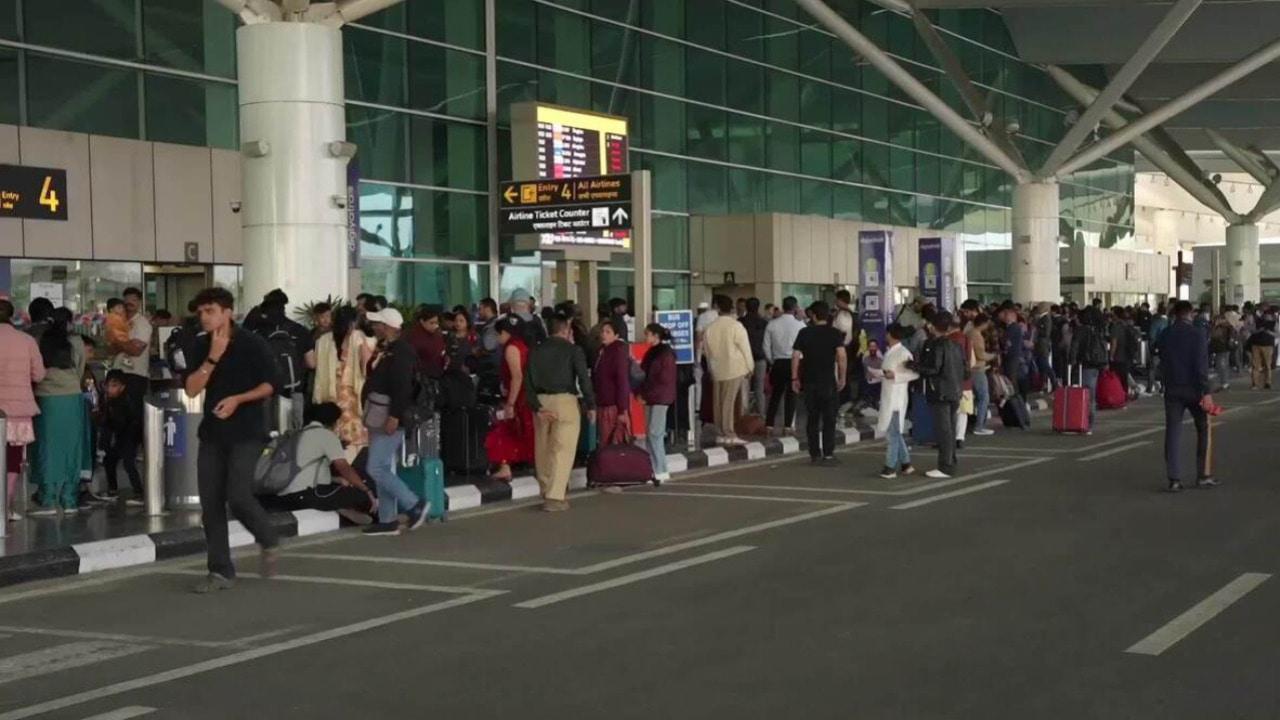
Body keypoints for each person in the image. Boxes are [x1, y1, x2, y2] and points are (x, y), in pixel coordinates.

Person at [183, 287, 280, 593]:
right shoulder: (200, 345)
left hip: (247, 432)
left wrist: (239, 399)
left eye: (210, 311)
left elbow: (271, 384)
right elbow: (191, 389)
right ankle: (220, 570)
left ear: (227, 312)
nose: (204, 317)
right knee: (211, 504)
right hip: (212, 433)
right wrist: (213, 357)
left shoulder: (252, 343)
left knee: (238, 496)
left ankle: (267, 537)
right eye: (201, 312)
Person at [359, 307, 430, 536]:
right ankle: (387, 519)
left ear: (388, 327)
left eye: (378, 323)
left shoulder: (401, 352)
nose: (374, 326)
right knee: (383, 466)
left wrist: (395, 416)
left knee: (376, 467)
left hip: (390, 416)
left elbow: (402, 387)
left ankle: (414, 504)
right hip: (379, 414)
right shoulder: (388, 348)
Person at [263, 402, 377, 525]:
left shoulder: (297, 434)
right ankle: (353, 511)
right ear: (333, 421)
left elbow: (305, 470)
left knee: (339, 486)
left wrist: (336, 479)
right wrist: (366, 490)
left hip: (284, 495)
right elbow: (343, 467)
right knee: (360, 493)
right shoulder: (326, 435)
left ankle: (342, 509)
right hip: (305, 495)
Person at [526, 315, 596, 512]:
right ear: (566, 330)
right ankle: (555, 496)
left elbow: (527, 382)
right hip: (565, 401)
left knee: (543, 448)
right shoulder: (573, 350)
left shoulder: (535, 351)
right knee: (562, 450)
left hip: (541, 400)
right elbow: (583, 379)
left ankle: (545, 489)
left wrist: (536, 407)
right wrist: (590, 404)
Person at [30, 307, 89, 515]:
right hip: (71, 396)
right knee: (72, 446)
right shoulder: (76, 341)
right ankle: (69, 498)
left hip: (45, 397)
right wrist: (70, 382)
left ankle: (47, 498)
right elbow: (80, 368)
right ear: (69, 322)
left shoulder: (39, 340)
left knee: (46, 446)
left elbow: (35, 370)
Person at [1158, 301, 1217, 492]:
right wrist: (1206, 392)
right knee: (1203, 428)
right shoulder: (1197, 334)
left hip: (1172, 388)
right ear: (1190, 314)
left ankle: (1174, 479)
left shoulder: (1165, 334)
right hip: (1194, 389)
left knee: (1173, 432)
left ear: (1175, 314)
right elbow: (1201, 365)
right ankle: (1203, 475)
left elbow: (1159, 357)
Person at [0, 300, 45, 521]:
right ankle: (4, 508)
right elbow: (39, 375)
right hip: (17, 411)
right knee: (13, 459)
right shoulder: (26, 340)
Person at [791, 301, 847, 465]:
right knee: (829, 419)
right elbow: (841, 356)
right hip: (828, 382)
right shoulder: (835, 333)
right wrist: (842, 377)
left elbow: (795, 356)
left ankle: (814, 454)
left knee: (812, 418)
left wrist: (794, 378)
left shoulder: (804, 332)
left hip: (809, 382)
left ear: (813, 316)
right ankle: (828, 454)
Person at [313, 305, 373, 454]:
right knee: (353, 429)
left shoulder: (324, 340)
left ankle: (335, 456)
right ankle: (352, 457)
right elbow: (366, 364)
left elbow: (316, 365)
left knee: (335, 426)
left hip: (331, 391)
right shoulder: (358, 337)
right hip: (352, 392)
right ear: (352, 322)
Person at [252, 289, 316, 429]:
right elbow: (311, 363)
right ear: (284, 307)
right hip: (294, 392)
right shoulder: (300, 330)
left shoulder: (257, 333)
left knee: (268, 432)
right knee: (294, 433)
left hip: (265, 393)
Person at [912, 311, 964, 479]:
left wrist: (914, 366)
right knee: (950, 429)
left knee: (943, 431)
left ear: (932, 326)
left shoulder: (936, 345)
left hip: (940, 391)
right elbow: (965, 369)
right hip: (955, 391)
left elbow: (934, 368)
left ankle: (945, 467)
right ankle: (951, 462)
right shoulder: (956, 345)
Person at [484, 316, 535, 482]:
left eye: (498, 333)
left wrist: (510, 403)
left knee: (503, 431)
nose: (497, 338)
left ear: (505, 333)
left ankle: (505, 466)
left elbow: (517, 377)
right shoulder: (522, 346)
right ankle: (507, 466)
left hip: (518, 399)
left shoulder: (511, 348)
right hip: (524, 397)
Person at [703, 295, 754, 446]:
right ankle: (729, 433)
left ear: (717, 308)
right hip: (735, 368)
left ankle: (720, 433)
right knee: (729, 402)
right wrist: (750, 367)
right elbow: (745, 348)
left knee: (718, 403)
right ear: (731, 308)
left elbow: (706, 352)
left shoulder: (710, 327)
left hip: (717, 369)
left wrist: (711, 368)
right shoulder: (736, 326)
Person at [876, 324, 918, 478]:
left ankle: (890, 466)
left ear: (890, 334)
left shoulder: (903, 353)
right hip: (888, 395)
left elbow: (914, 374)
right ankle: (906, 463)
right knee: (895, 432)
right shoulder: (890, 351)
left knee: (893, 433)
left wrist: (895, 376)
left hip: (896, 398)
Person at [639, 323, 677, 482]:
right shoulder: (653, 352)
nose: (645, 337)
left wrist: (646, 393)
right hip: (651, 397)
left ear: (656, 336)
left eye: (647, 334)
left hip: (660, 398)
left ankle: (661, 469)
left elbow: (663, 380)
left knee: (655, 433)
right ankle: (653, 469)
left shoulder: (664, 354)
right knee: (650, 434)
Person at [764, 296, 804, 435]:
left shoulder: (772, 324)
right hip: (795, 362)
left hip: (778, 362)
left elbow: (766, 346)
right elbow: (804, 347)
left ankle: (769, 425)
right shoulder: (800, 325)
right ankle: (787, 426)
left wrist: (772, 360)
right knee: (792, 395)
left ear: (783, 306)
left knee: (775, 395)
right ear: (795, 307)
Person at [99, 370, 141, 502]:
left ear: (122, 387)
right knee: (110, 461)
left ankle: (138, 491)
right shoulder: (109, 400)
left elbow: (121, 421)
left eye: (114, 385)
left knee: (128, 463)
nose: (110, 389)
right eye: (108, 385)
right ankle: (113, 489)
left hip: (128, 436)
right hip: (120, 437)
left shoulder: (123, 401)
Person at [1068, 306, 1109, 434]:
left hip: (1084, 365)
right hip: (1096, 365)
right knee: (1091, 396)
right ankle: (1089, 424)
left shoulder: (1081, 330)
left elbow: (1074, 347)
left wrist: (1071, 362)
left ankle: (1080, 422)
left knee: (1083, 394)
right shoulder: (1098, 330)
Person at [592, 320, 632, 447]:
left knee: (611, 441)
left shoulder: (617, 352)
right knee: (605, 440)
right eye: (602, 331)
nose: (603, 334)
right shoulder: (602, 351)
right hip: (603, 402)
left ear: (616, 335)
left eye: (608, 332)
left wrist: (622, 410)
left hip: (612, 405)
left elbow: (622, 382)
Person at [966, 313, 995, 436]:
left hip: (970, 369)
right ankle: (979, 426)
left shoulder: (968, 332)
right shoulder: (976, 335)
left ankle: (972, 423)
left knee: (975, 398)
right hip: (977, 369)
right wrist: (993, 356)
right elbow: (980, 354)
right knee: (983, 397)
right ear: (983, 323)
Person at [739, 298, 768, 415]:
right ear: (758, 307)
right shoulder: (764, 323)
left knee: (744, 388)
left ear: (746, 307)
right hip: (760, 358)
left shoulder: (740, 322)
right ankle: (761, 414)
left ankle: (744, 414)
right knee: (759, 388)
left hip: (744, 359)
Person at [404, 306, 447, 379]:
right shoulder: (413, 336)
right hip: (420, 377)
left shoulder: (436, 334)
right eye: (431, 323)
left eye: (436, 323)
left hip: (437, 375)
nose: (435, 326)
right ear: (422, 321)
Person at [1245, 319, 1276, 390]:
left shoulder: (1273, 323)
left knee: (1267, 365)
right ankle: (1255, 384)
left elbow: (1277, 334)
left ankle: (1267, 383)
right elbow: (1252, 331)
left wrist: (1268, 332)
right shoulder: (1257, 320)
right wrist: (1259, 330)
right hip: (1256, 345)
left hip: (1268, 345)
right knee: (1255, 365)